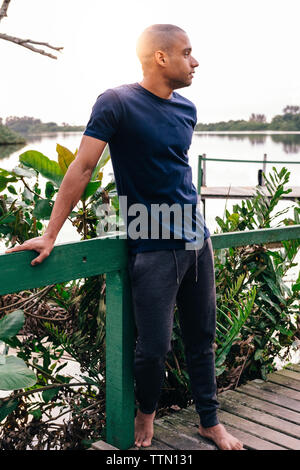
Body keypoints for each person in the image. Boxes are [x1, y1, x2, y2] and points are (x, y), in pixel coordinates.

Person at [6, 24, 243, 451]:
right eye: (187, 53)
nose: (195, 61)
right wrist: (49, 233)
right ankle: (145, 414)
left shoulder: (187, 108)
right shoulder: (116, 102)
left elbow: (176, 173)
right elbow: (81, 168)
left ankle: (210, 421)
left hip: (197, 242)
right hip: (152, 244)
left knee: (202, 338)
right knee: (153, 348)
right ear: (160, 57)